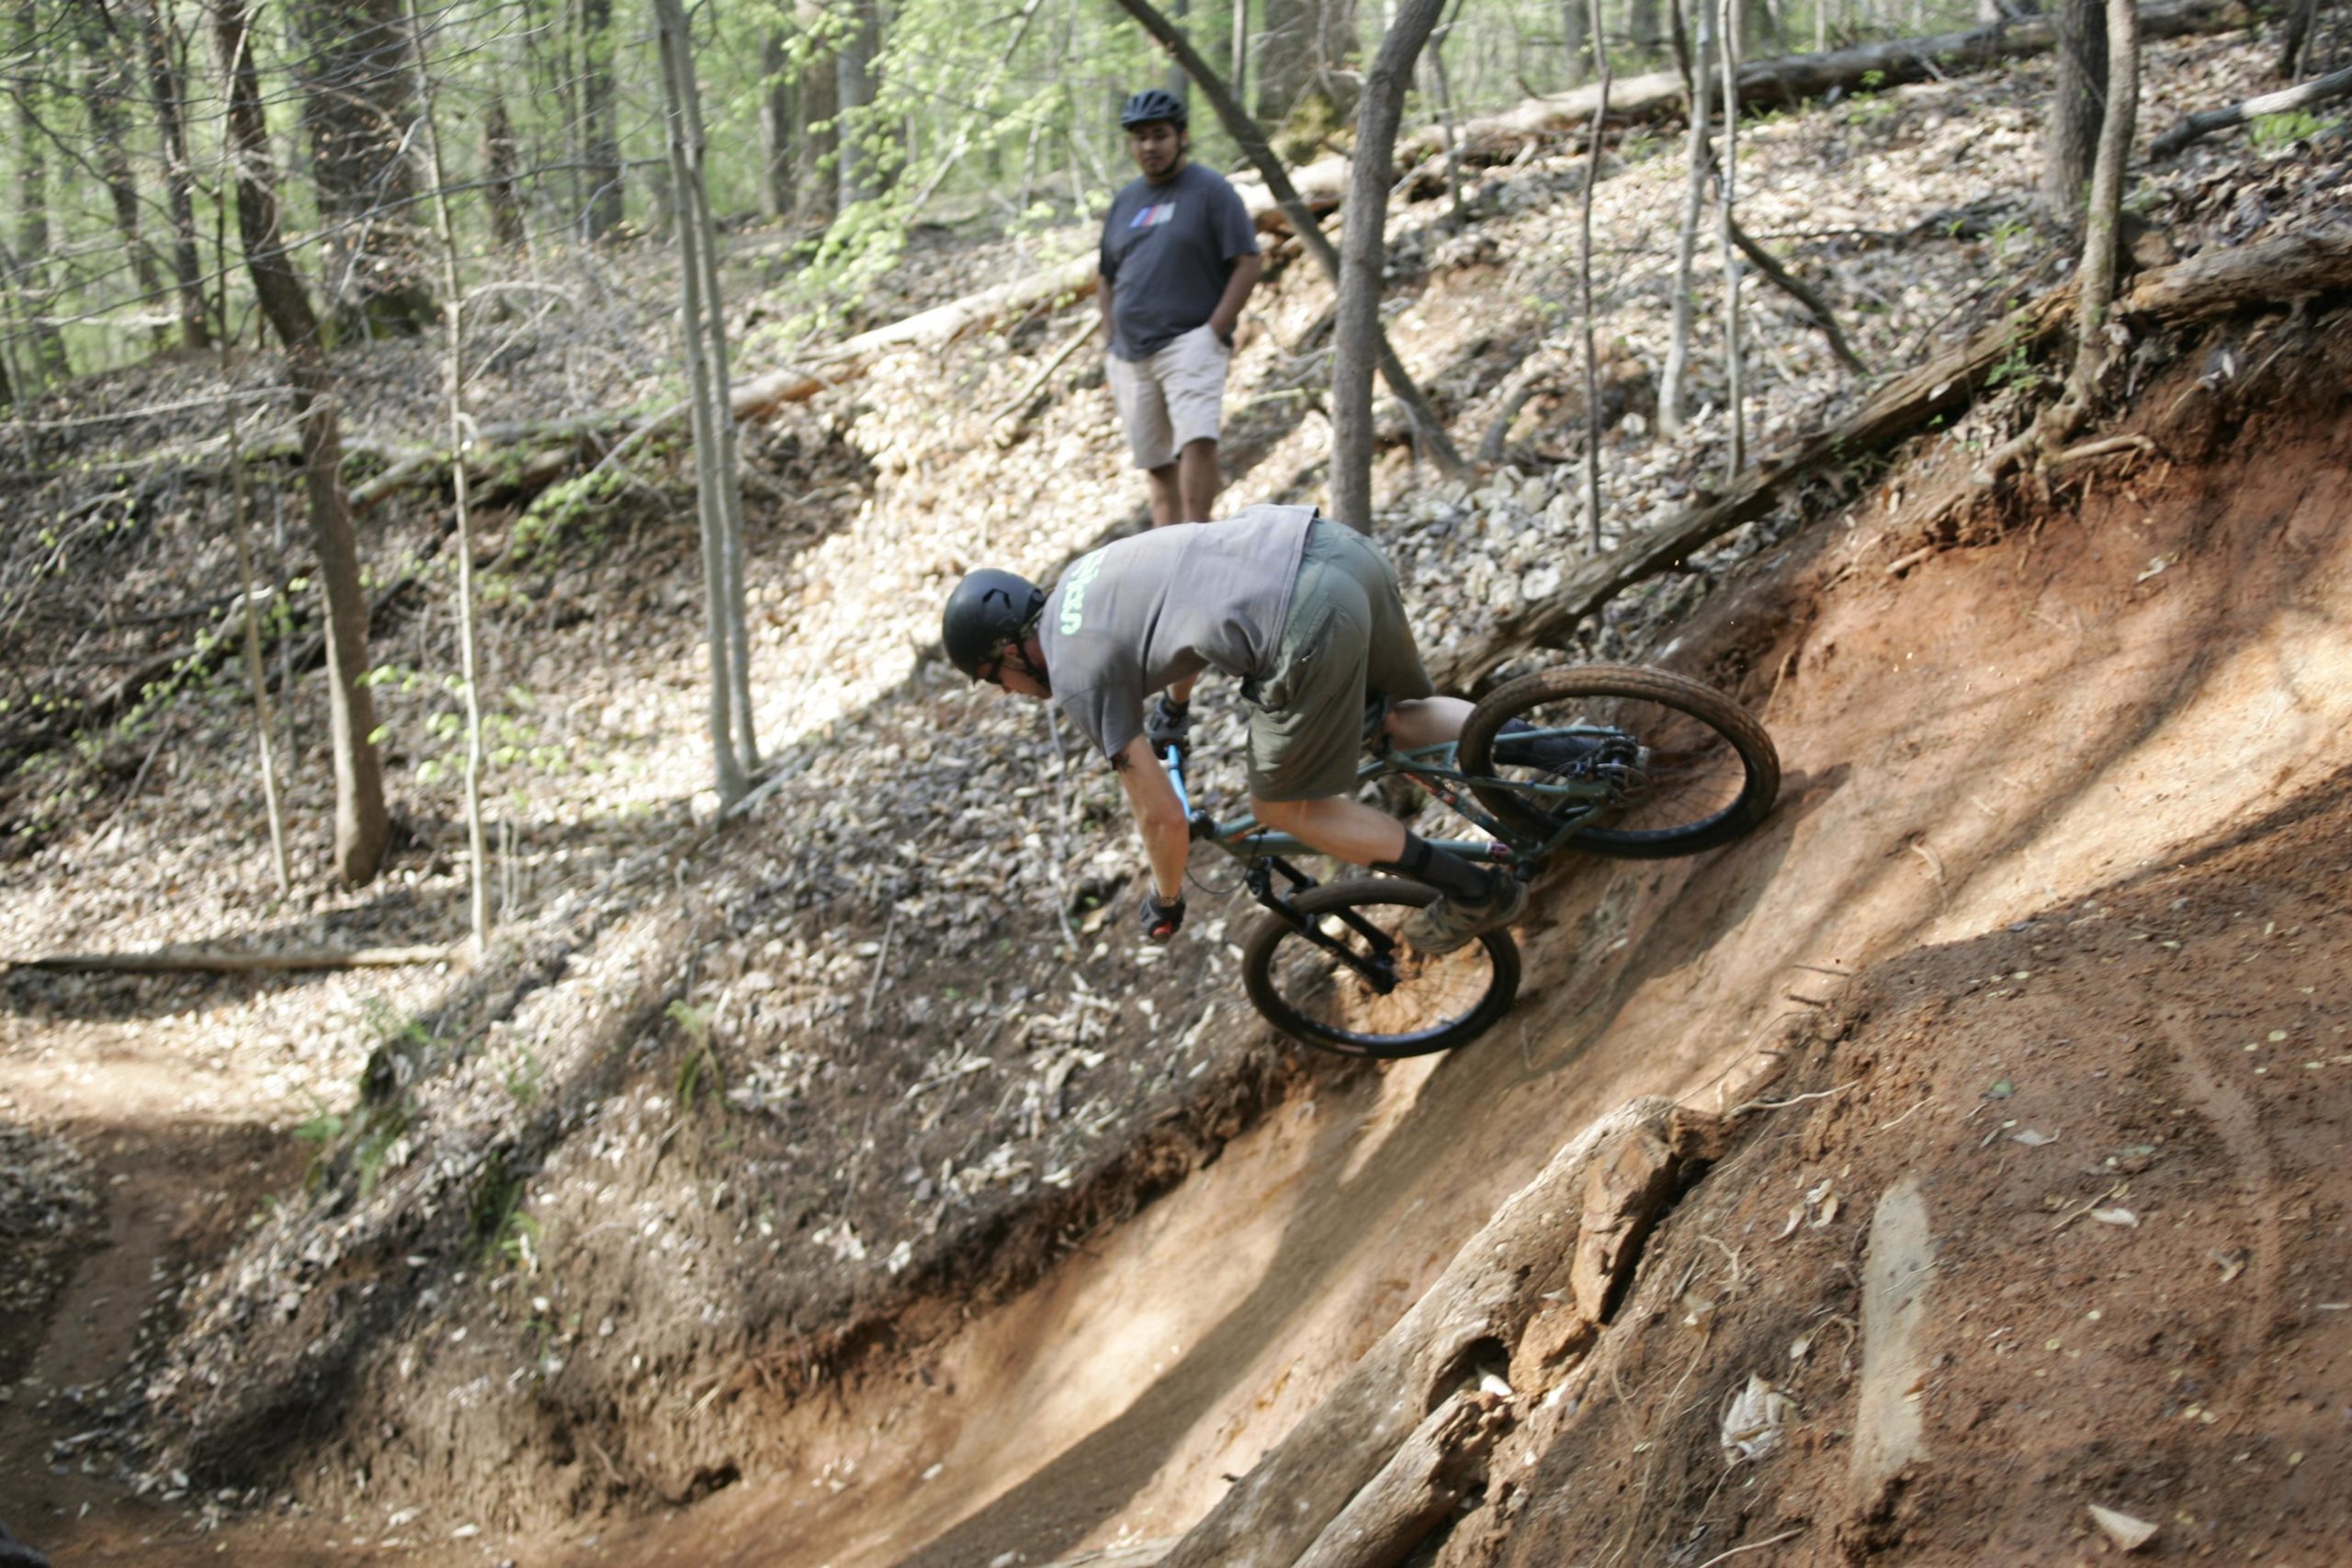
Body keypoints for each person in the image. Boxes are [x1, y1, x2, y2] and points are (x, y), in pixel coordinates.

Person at [942, 503, 1527, 954]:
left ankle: (1476, 892)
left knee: (1285, 809)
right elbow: (1184, 605)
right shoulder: (1082, 577)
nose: (1008, 693)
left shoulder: (1073, 674)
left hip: (1302, 621)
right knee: (1396, 719)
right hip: (1333, 549)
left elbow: (1162, 816)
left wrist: (1166, 897)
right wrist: (1174, 708)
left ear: (1010, 653)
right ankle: (1578, 758)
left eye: (997, 680)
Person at [1100, 87, 1265, 752]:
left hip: (1189, 340)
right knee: (1153, 459)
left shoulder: (1209, 191)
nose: (1149, 145)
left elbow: (1248, 257)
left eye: (1160, 134)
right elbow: (1106, 272)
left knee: (1198, 434)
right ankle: (1171, 548)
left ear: (1180, 136)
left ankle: (1197, 534)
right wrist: (1108, 331)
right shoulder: (1123, 203)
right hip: (1130, 353)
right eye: (1139, 136)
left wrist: (1216, 329)